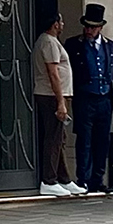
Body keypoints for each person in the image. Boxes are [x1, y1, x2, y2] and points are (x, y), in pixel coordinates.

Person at [63, 4, 113, 195]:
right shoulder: (74, 44)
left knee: (102, 141)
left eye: (93, 27)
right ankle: (83, 179)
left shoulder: (110, 46)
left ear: (100, 27)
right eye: (87, 26)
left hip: (104, 99)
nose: (89, 30)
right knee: (84, 140)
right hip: (84, 98)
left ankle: (98, 180)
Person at [32, 14, 85, 196]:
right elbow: (53, 73)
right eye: (61, 21)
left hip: (54, 95)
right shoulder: (49, 42)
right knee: (53, 138)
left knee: (59, 137)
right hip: (51, 95)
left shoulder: (51, 41)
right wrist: (60, 101)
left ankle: (64, 178)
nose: (63, 24)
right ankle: (49, 180)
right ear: (55, 24)